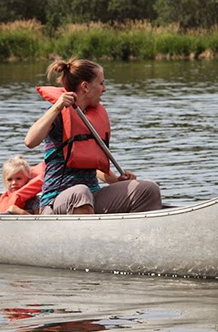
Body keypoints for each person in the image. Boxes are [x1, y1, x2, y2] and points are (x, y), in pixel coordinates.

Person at [24, 58, 162, 215]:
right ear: (85, 87)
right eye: (101, 83)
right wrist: (57, 107)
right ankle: (89, 231)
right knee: (80, 193)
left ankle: (136, 231)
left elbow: (93, 166)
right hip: (56, 201)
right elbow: (30, 141)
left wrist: (117, 180)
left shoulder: (91, 117)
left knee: (148, 189)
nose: (105, 89)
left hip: (92, 195)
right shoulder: (58, 112)